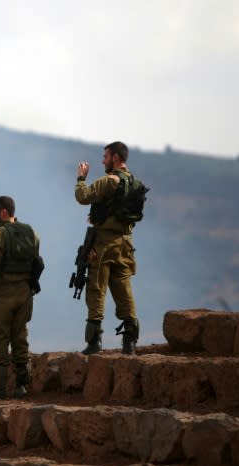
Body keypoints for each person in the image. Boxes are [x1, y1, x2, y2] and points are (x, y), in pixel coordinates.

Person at [75, 141, 140, 355]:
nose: (103, 161)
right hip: (125, 244)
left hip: (103, 244)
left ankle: (94, 342)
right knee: (124, 290)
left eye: (105, 156)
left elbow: (82, 197)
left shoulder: (108, 182)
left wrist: (81, 178)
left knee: (96, 288)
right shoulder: (134, 183)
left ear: (115, 158)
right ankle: (130, 342)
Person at [0, 195, 43, 399]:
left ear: (4, 212)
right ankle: (22, 386)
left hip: (2, 296)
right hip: (24, 294)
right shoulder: (31, 233)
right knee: (20, 337)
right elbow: (36, 263)